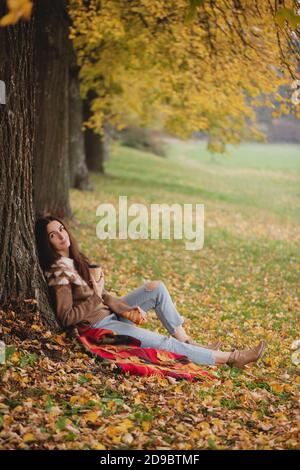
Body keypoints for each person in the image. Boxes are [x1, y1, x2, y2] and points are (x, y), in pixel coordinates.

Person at [35, 215, 266, 369]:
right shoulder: (59, 273)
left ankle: (189, 341)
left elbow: (103, 297)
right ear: (47, 242)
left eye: (61, 228)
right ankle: (231, 358)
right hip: (99, 327)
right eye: (53, 234)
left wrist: (127, 310)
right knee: (164, 343)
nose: (61, 235)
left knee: (155, 288)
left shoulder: (75, 260)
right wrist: (96, 296)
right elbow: (66, 317)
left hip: (110, 314)